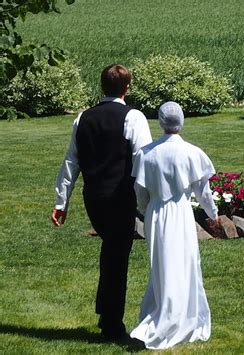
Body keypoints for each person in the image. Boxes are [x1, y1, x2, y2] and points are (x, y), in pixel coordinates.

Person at [51, 64, 152, 340]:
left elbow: (72, 160)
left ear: (102, 86)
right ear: (127, 88)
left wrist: (62, 202)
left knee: (112, 253)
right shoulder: (134, 117)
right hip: (121, 197)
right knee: (116, 257)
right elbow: (143, 159)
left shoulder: (83, 118)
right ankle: (111, 323)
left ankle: (107, 315)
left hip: (93, 198)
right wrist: (145, 203)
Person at [130, 101, 219, 350]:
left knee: (161, 264)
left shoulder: (147, 153)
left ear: (160, 122)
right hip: (180, 212)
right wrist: (213, 213)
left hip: (157, 213)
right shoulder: (192, 152)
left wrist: (147, 211)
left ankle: (165, 311)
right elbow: (203, 192)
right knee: (184, 262)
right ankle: (176, 314)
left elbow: (140, 192)